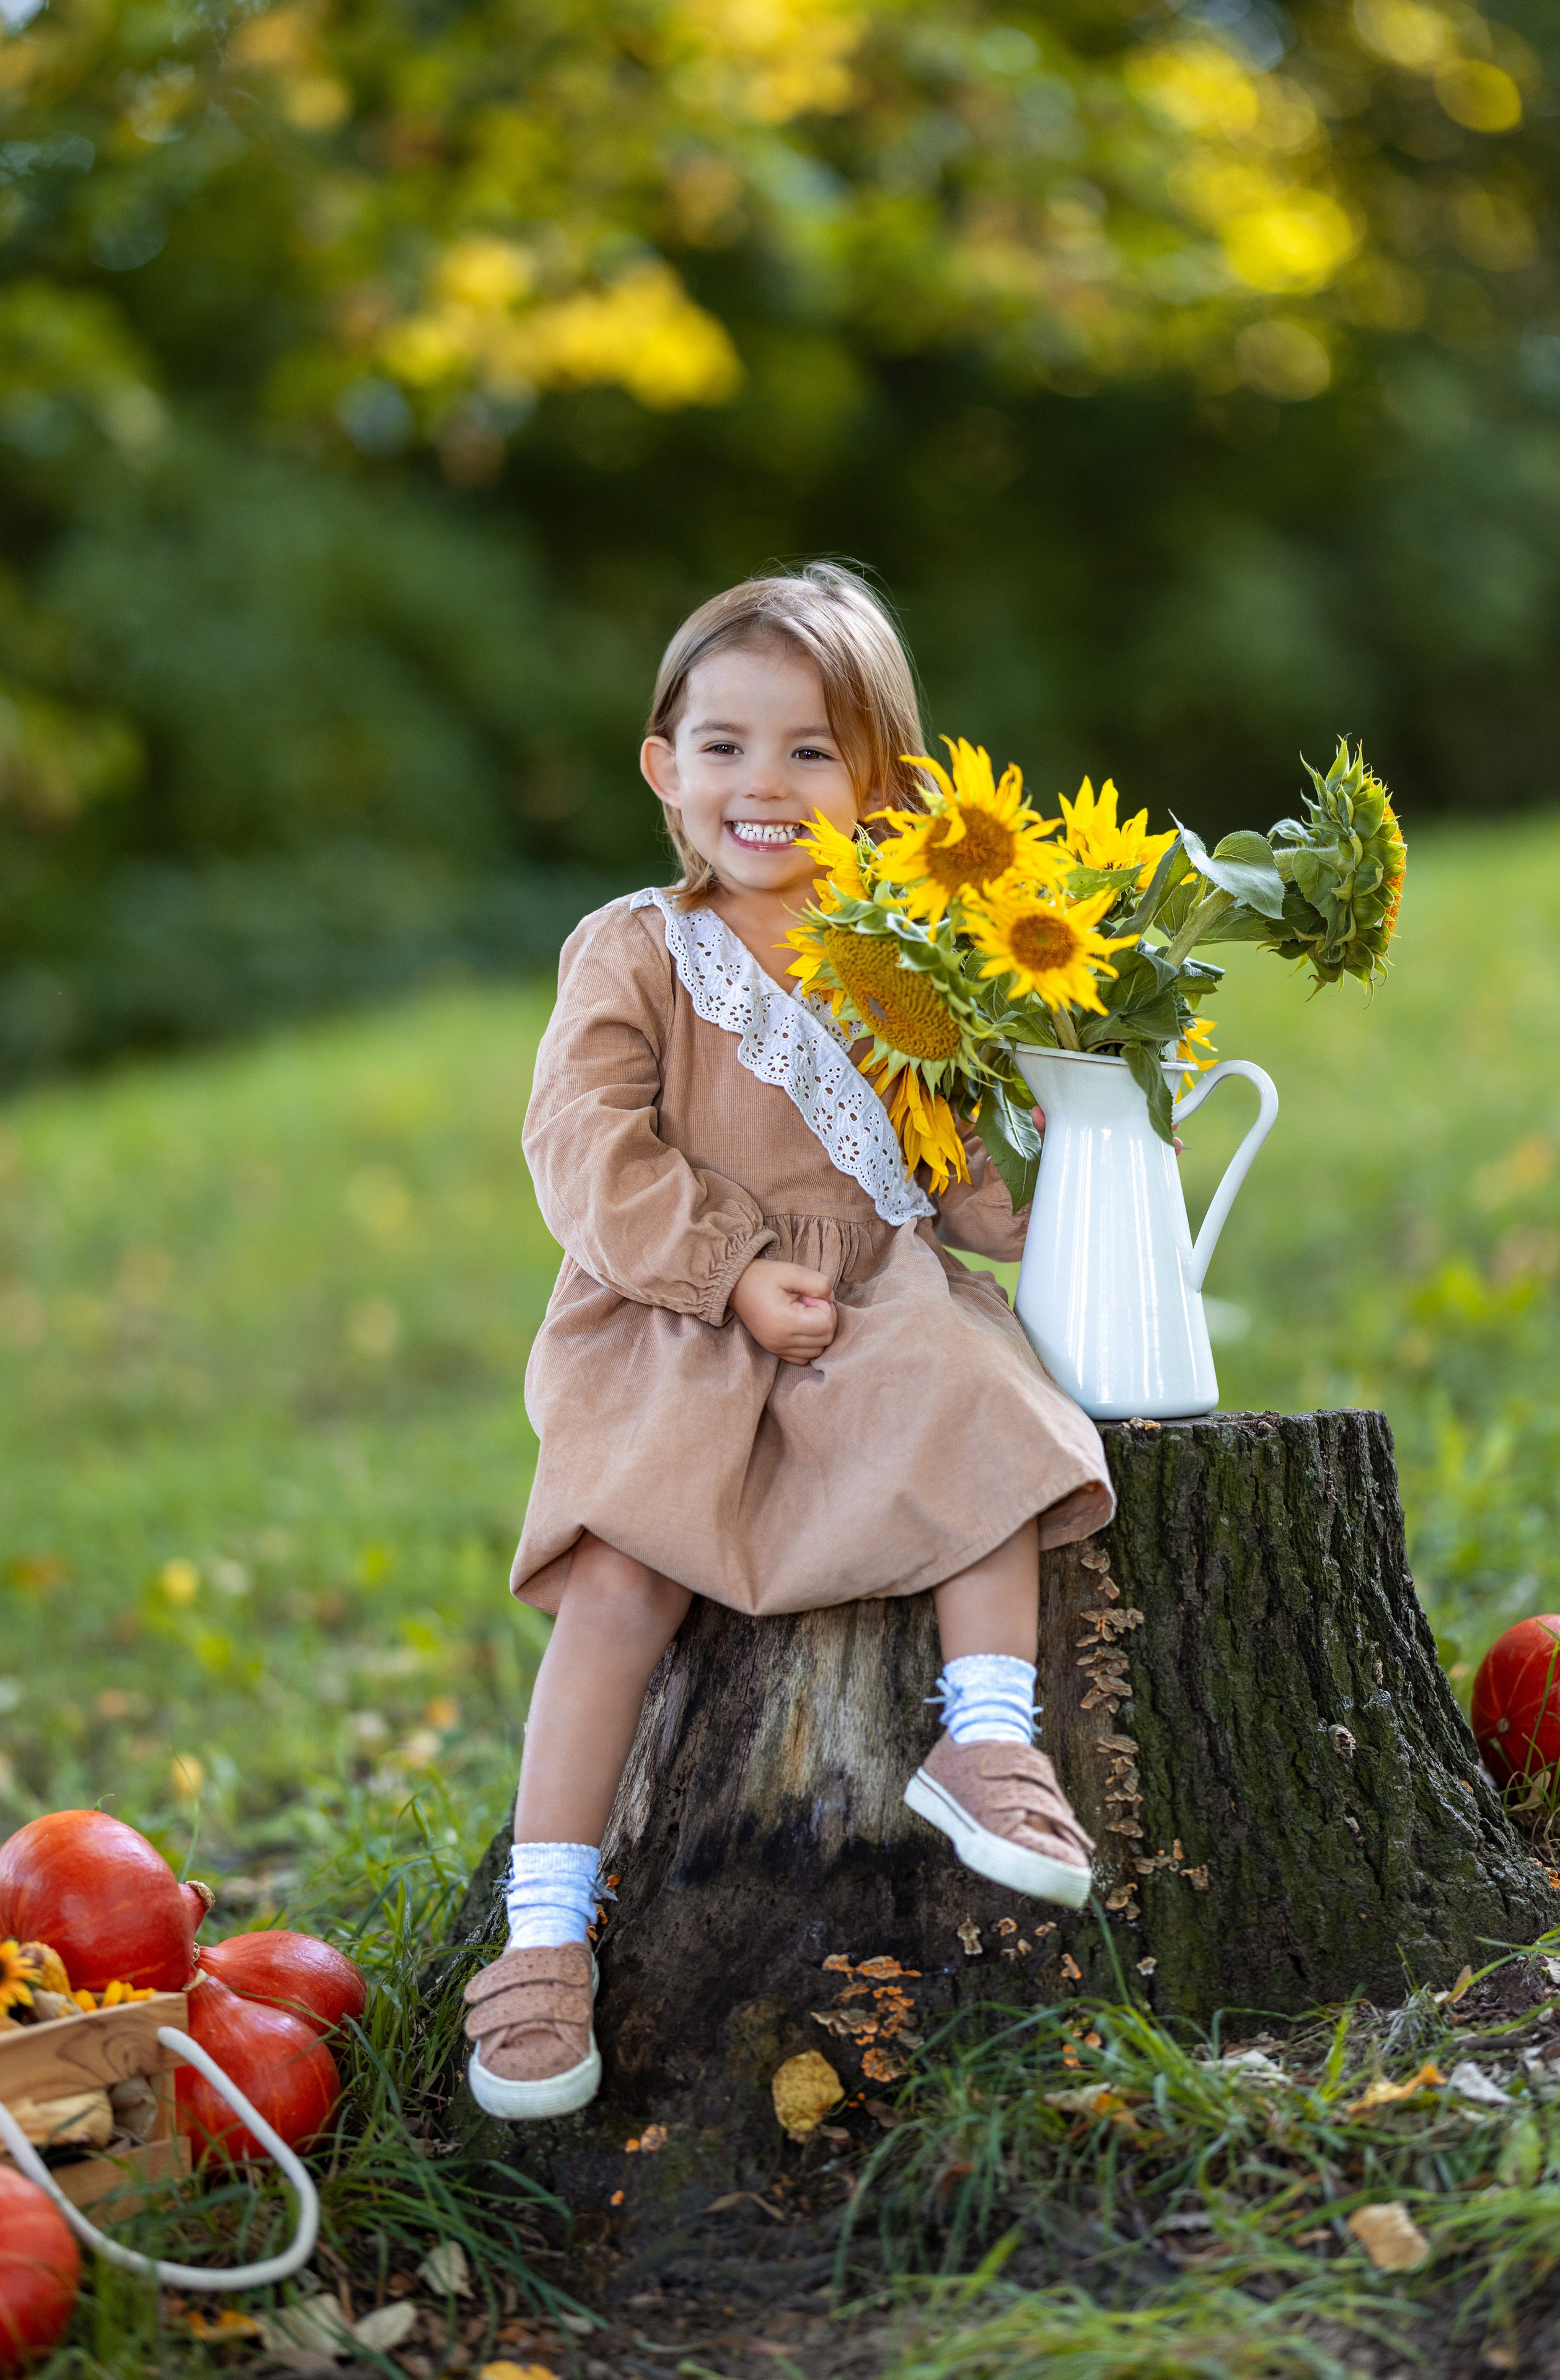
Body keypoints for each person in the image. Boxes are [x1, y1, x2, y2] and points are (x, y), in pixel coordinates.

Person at [464, 564, 1114, 2121]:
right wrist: (730, 1267)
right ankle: (544, 1930)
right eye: (725, 745)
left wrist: (997, 1202)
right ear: (662, 768)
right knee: (619, 1579)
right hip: (677, 1308)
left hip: (869, 1298)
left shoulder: (904, 948)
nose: (764, 785)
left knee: (985, 1426)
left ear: (880, 783)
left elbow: (928, 1141)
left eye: (811, 751)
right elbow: (585, 1149)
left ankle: (986, 1742)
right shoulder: (635, 949)